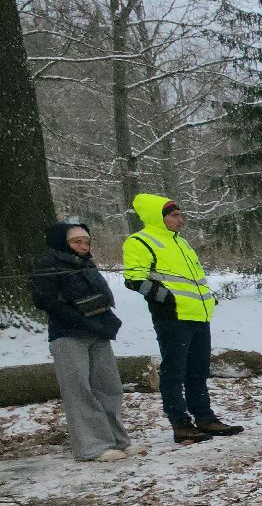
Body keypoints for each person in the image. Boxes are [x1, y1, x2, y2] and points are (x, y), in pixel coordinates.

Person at [123, 194, 243, 443]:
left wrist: (207, 298)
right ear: (160, 217)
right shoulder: (140, 241)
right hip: (173, 318)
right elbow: (134, 279)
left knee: (198, 371)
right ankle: (180, 423)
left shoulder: (182, 243)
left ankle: (205, 418)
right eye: (174, 215)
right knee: (174, 372)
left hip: (199, 315)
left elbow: (193, 280)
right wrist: (166, 299)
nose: (181, 220)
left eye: (180, 214)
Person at [31, 220, 136, 461]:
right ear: (63, 243)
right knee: (80, 390)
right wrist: (79, 319)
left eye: (86, 241)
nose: (83, 246)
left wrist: (106, 321)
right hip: (68, 335)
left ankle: (118, 440)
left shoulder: (87, 264)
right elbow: (46, 300)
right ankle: (93, 446)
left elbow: (100, 298)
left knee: (108, 387)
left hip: (98, 332)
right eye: (76, 241)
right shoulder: (49, 265)